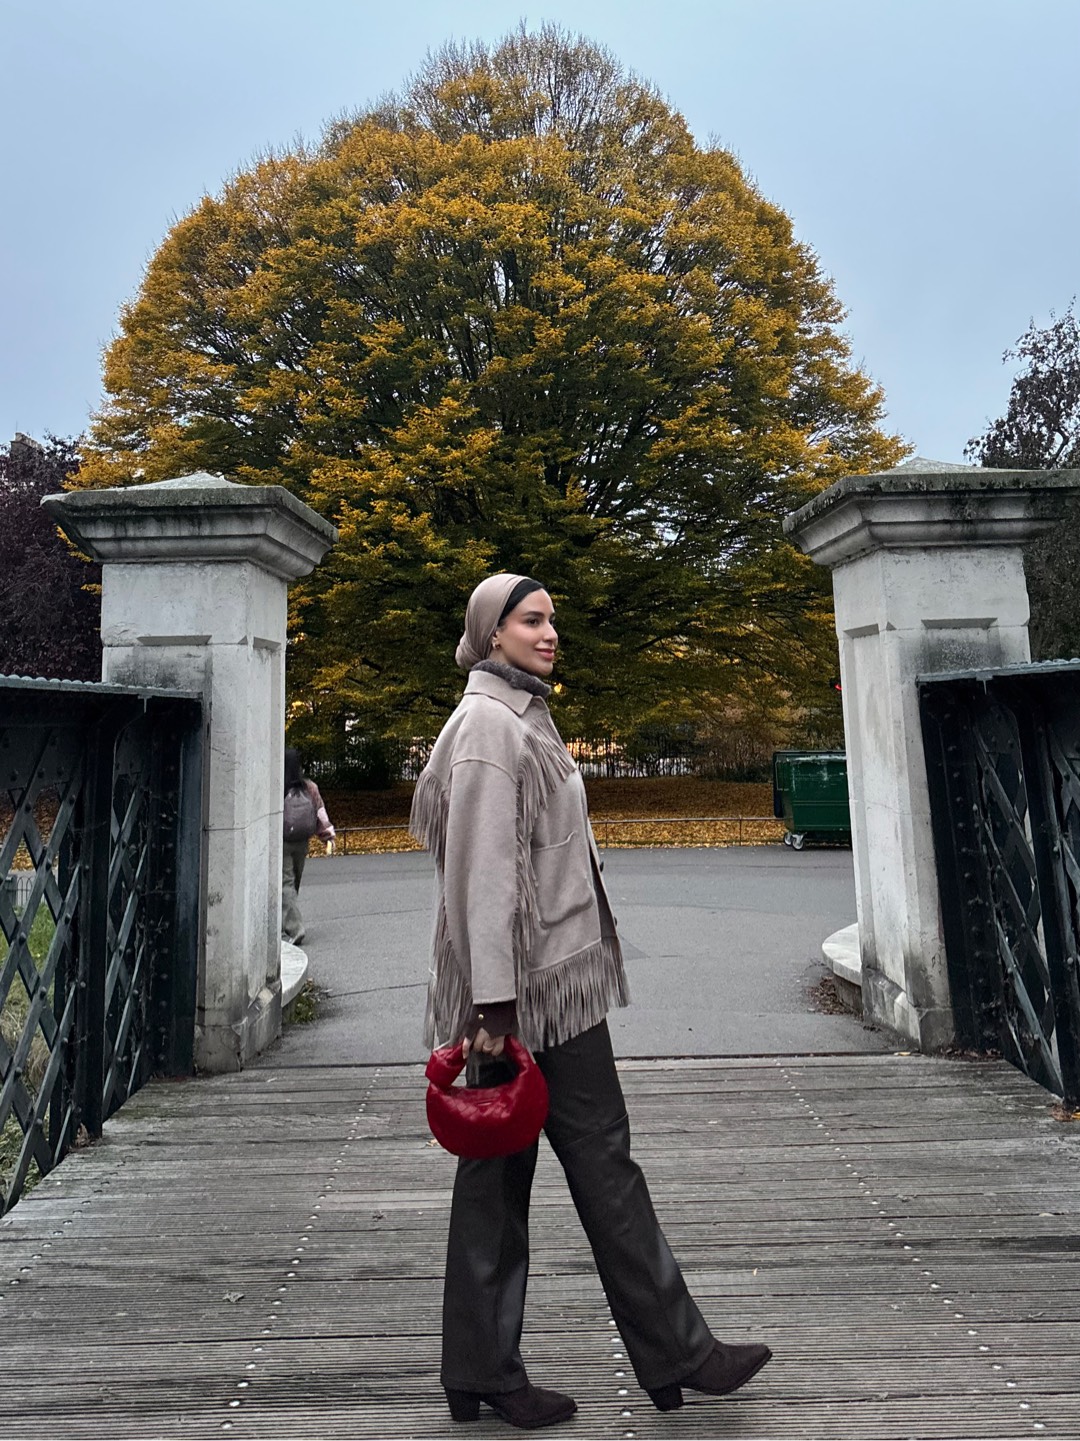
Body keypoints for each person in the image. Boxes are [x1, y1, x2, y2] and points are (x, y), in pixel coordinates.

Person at [409, 573, 772, 1430]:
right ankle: (671, 1353)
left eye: (552, 620)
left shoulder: (519, 713)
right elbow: (481, 875)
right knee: (592, 1163)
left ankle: (486, 1368)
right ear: (491, 633)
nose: (549, 633)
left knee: (506, 1176)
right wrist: (495, 1005)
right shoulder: (490, 727)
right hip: (530, 992)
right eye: (531, 620)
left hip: (539, 983)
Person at [281, 747, 335, 946]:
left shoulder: (278, 786)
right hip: (302, 841)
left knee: (285, 884)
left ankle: (295, 927)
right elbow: (320, 812)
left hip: (282, 841)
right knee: (294, 882)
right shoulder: (309, 787)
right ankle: (287, 920)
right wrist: (328, 835)